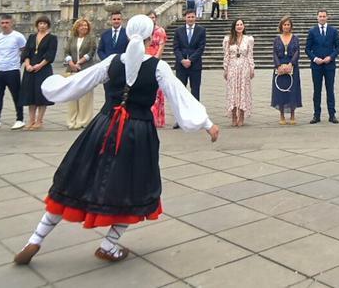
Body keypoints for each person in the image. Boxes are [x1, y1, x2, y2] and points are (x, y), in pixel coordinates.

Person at [14, 15, 220, 266]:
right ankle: (109, 244)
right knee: (136, 188)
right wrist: (207, 124)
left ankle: (35, 239)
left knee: (76, 179)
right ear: (149, 37)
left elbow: (79, 83)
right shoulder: (157, 67)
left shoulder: (112, 62)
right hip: (138, 133)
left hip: (103, 127)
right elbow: (180, 98)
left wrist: (52, 87)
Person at [0, 15, 27, 130]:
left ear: (12, 23)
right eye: (2, 23)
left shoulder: (18, 36)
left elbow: (24, 51)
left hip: (12, 70)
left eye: (7, 22)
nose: (4, 25)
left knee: (16, 95)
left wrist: (19, 63)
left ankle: (20, 119)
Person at [20, 16, 57, 130]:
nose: (42, 26)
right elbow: (26, 52)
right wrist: (27, 65)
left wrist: (40, 65)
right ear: (37, 25)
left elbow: (50, 54)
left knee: (41, 94)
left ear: (48, 25)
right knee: (30, 94)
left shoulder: (52, 38)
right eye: (40, 23)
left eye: (44, 23)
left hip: (43, 69)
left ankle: (39, 120)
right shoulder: (31, 37)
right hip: (30, 69)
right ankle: (31, 120)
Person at [304, 9, 339, 124]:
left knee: (330, 90)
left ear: (327, 17)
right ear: (317, 18)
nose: (322, 18)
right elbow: (307, 48)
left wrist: (331, 57)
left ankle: (332, 114)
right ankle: (316, 115)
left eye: (324, 16)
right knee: (317, 90)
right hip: (317, 66)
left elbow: (338, 47)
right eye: (320, 16)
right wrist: (315, 59)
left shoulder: (333, 31)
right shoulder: (312, 31)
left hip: (329, 65)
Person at [62, 18, 98, 130]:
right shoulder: (72, 38)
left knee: (85, 97)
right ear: (77, 27)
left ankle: (83, 120)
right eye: (82, 25)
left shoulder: (91, 38)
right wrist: (71, 63)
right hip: (72, 69)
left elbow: (91, 52)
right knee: (72, 96)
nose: (84, 27)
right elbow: (66, 52)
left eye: (86, 25)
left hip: (85, 68)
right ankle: (72, 120)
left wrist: (79, 62)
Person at [222, 19, 254, 128]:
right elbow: (226, 55)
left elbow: (250, 55)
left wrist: (252, 68)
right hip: (232, 67)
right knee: (233, 91)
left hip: (244, 67)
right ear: (234, 27)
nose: (239, 26)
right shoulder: (228, 39)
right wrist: (225, 69)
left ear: (244, 26)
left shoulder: (248, 39)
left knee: (243, 91)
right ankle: (233, 117)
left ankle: (241, 116)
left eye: (241, 24)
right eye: (237, 25)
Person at [271, 16, 303, 124]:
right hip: (280, 66)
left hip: (292, 66)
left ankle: (293, 115)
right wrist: (278, 65)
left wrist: (291, 64)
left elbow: (297, 52)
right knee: (280, 91)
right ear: (281, 26)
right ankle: (282, 115)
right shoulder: (276, 39)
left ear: (291, 26)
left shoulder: (295, 38)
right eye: (284, 24)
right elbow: (274, 53)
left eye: (288, 24)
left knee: (292, 90)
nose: (286, 26)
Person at [173, 10, 207, 103]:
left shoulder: (201, 30)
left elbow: (201, 48)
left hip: (195, 65)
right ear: (185, 18)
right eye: (189, 17)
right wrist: (182, 60)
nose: (191, 19)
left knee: (195, 90)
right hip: (181, 66)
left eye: (192, 17)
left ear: (195, 17)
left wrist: (190, 60)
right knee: (180, 90)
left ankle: (195, 113)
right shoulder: (178, 31)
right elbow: (176, 48)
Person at [144, 12, 168, 128]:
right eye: (150, 18)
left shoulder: (160, 31)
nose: (152, 19)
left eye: (153, 17)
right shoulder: (144, 31)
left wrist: (155, 59)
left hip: (155, 58)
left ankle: (157, 118)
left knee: (158, 91)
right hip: (144, 58)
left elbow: (161, 46)